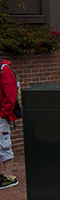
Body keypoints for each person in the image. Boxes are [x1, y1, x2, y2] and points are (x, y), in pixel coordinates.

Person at [0, 58, 20, 189]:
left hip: (1, 115)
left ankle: (10, 176)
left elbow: (10, 95)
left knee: (4, 143)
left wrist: (3, 113)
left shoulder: (4, 70)